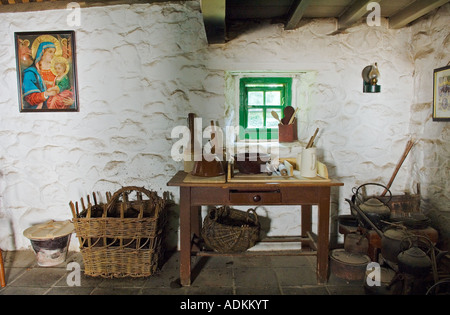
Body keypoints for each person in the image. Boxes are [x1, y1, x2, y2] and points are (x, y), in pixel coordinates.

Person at [21, 41, 59, 110]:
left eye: (54, 52)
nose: (53, 55)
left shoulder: (57, 71)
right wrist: (46, 94)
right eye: (50, 52)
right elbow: (29, 98)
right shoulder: (30, 72)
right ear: (42, 52)